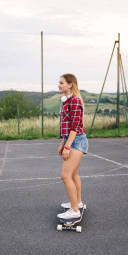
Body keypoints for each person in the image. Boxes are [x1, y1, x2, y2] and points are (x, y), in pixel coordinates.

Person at [57, 73, 89, 219]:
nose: (59, 85)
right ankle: (77, 203)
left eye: (61, 83)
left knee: (66, 176)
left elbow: (75, 126)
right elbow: (67, 126)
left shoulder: (75, 101)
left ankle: (74, 211)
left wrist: (68, 146)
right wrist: (62, 143)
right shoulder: (66, 102)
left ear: (70, 85)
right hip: (71, 140)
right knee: (74, 174)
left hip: (77, 141)